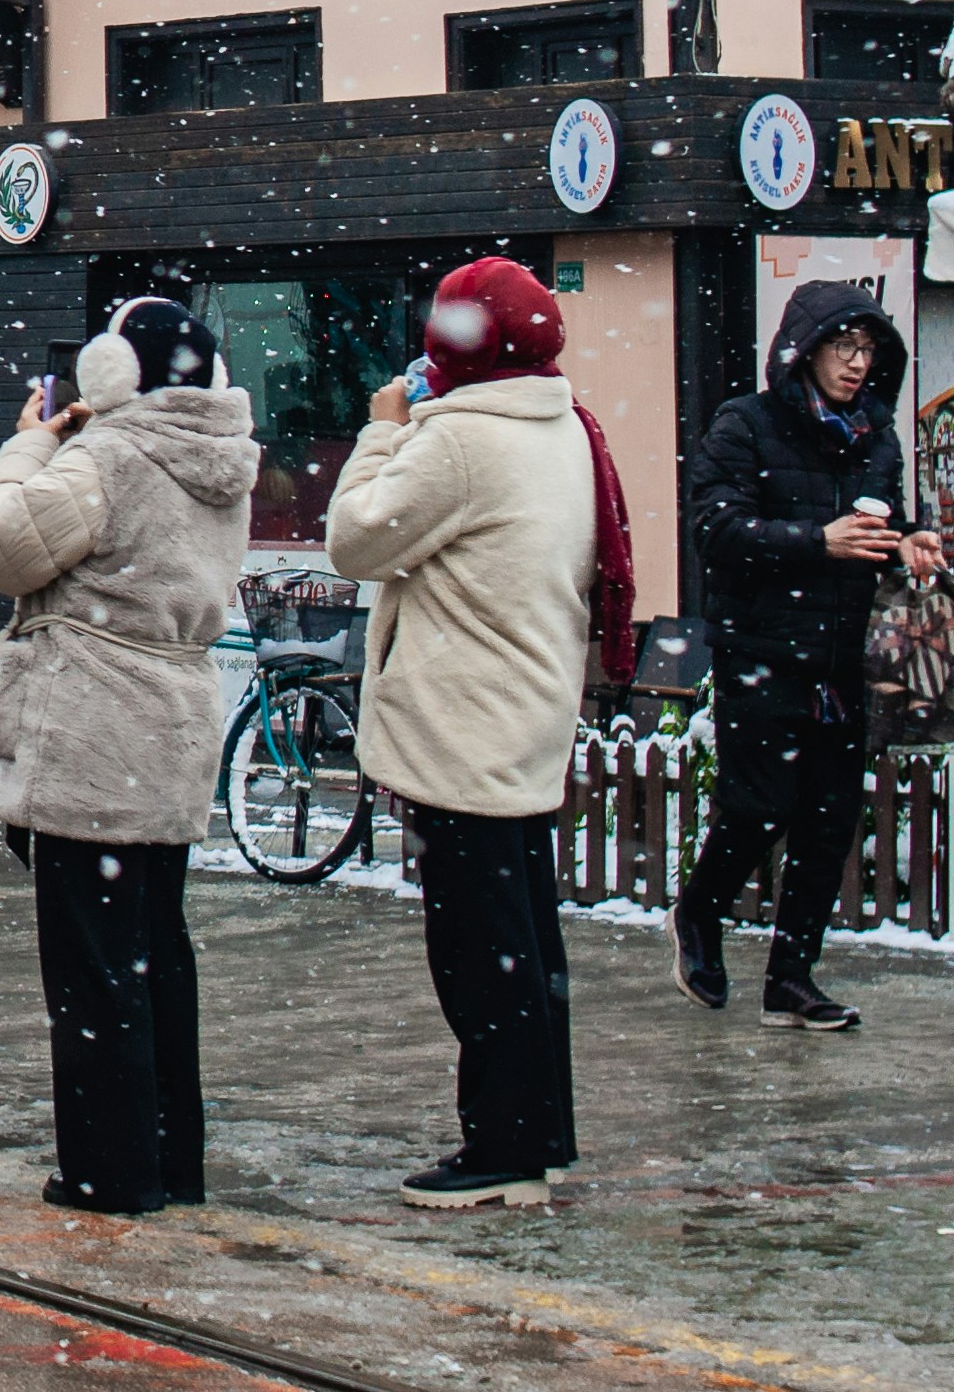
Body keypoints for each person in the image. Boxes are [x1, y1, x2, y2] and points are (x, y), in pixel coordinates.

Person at [0, 297, 257, 1216]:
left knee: (91, 966)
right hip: (171, 725)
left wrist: (26, 448)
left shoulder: (109, 456)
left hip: (93, 730)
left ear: (112, 375)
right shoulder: (223, 464)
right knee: (156, 951)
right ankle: (172, 1159)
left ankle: (107, 1169)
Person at [326, 256, 597, 1209]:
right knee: (527, 937)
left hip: (463, 721)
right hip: (527, 710)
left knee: (478, 950)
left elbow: (356, 538)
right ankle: (542, 1129)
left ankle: (502, 1148)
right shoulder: (560, 424)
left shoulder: (462, 441)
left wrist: (378, 434)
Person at [670, 281, 937, 1033]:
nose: (856, 364)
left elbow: (881, 527)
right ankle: (697, 915)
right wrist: (814, 540)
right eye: (842, 347)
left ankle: (791, 977)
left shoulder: (875, 437)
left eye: (868, 351)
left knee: (828, 821)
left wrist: (908, 540)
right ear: (805, 349)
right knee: (759, 806)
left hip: (844, 655)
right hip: (761, 647)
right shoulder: (744, 425)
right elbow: (716, 533)